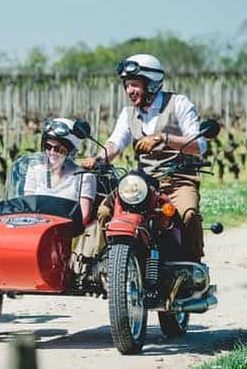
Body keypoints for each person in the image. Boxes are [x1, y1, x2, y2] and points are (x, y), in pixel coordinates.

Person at [80, 53, 207, 261]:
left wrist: (163, 138)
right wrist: (98, 158)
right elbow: (115, 143)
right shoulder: (128, 113)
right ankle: (107, 264)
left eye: (135, 85)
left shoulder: (178, 103)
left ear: (153, 84)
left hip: (177, 179)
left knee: (188, 214)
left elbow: (199, 145)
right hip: (143, 183)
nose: (130, 91)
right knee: (104, 212)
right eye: (127, 85)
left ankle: (193, 265)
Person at [24, 118, 96, 224]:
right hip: (36, 229)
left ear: (70, 151)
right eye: (48, 147)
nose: (52, 152)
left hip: (67, 233)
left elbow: (83, 217)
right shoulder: (34, 171)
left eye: (57, 149)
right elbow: (27, 207)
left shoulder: (84, 177)